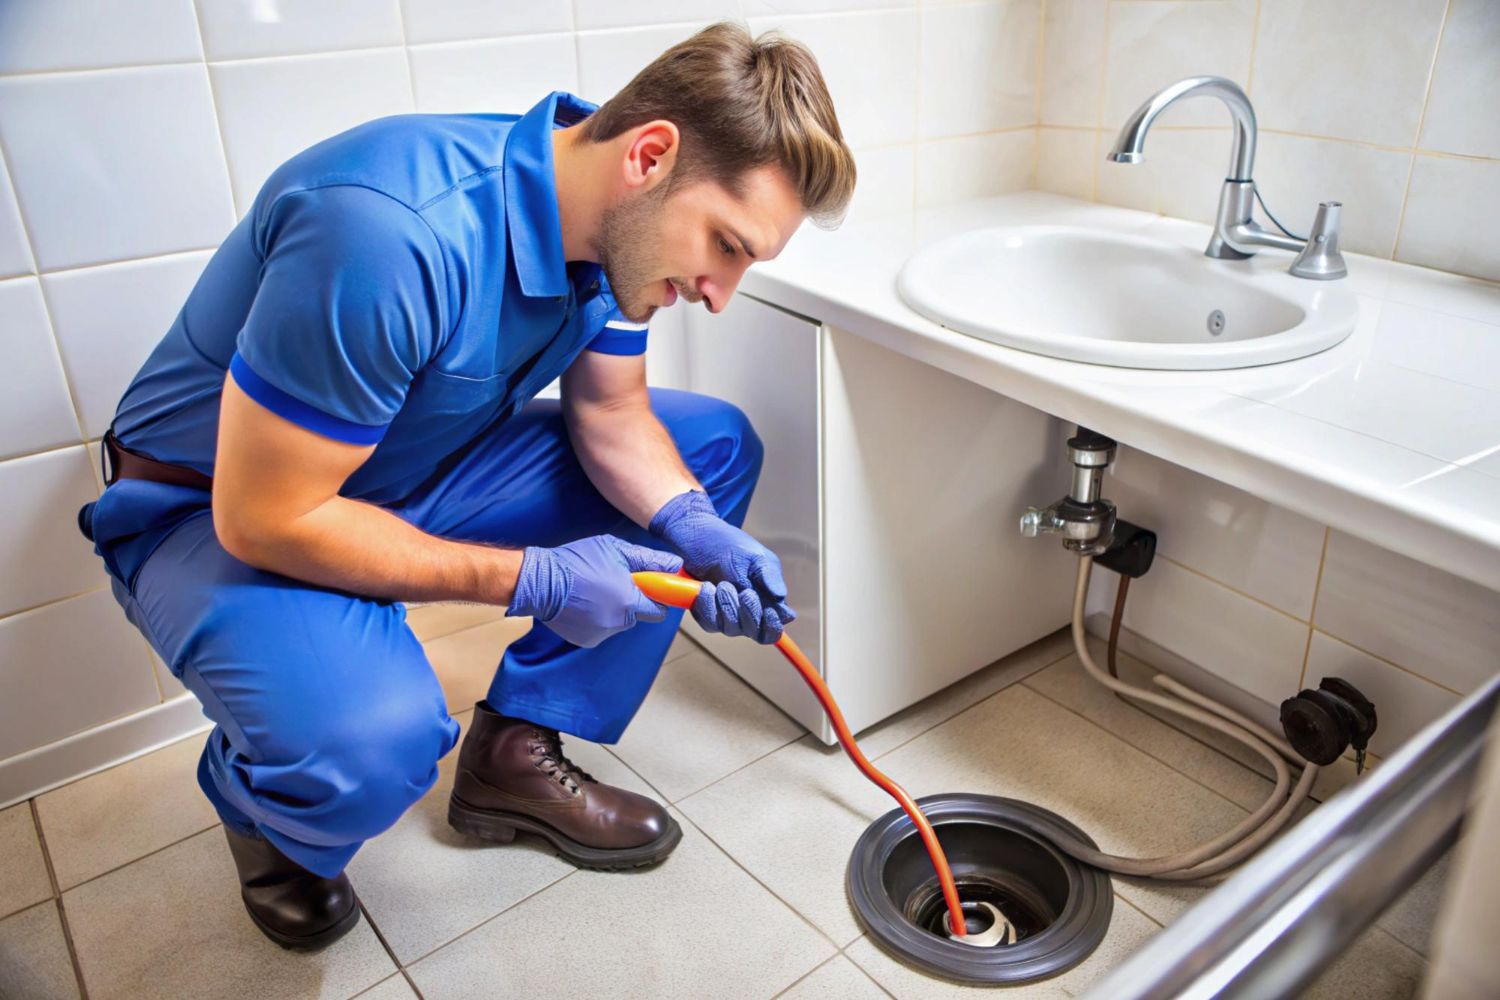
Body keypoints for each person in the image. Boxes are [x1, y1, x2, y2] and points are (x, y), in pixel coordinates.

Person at [75, 22, 856, 950]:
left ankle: (513, 753)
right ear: (652, 156)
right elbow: (266, 516)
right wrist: (540, 578)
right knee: (373, 742)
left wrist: (695, 525)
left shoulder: (609, 226)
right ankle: (265, 813)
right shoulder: (389, 234)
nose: (721, 291)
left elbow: (611, 414)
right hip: (211, 510)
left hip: (409, 469)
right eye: (725, 245)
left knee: (711, 450)